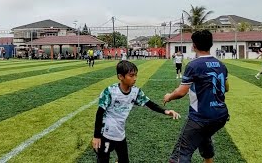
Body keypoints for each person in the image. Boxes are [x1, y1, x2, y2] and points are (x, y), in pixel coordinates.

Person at [91, 60, 180, 163]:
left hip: (120, 135)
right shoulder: (110, 92)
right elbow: (99, 113)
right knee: (103, 159)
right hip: (106, 136)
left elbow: (149, 103)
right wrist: (96, 136)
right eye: (131, 75)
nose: (135, 78)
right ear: (120, 77)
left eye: (135, 75)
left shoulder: (135, 92)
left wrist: (166, 111)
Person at [163, 30, 230, 163]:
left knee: (179, 156)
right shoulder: (221, 65)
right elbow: (226, 88)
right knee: (204, 138)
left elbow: (181, 92)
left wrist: (169, 96)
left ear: (194, 45)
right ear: (211, 44)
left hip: (201, 117)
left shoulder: (194, 65)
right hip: (221, 116)